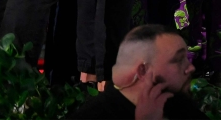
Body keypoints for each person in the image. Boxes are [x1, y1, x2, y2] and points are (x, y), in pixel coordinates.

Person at [70, 25, 205, 119]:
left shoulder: (182, 108)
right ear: (143, 70)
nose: (191, 68)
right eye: (178, 60)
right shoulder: (96, 115)